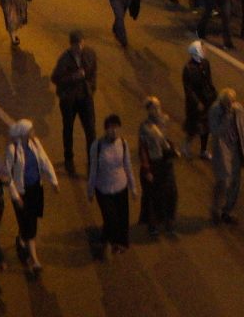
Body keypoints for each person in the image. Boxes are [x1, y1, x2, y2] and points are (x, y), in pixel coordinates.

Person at [1, 118, 57, 279]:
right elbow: (7, 175)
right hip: (22, 193)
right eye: (31, 130)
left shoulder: (35, 143)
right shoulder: (12, 150)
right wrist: (15, 195)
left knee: (30, 222)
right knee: (28, 224)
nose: (34, 133)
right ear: (24, 134)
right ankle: (35, 260)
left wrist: (53, 181)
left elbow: (44, 161)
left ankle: (23, 242)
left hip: (35, 190)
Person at [86, 113, 136, 256]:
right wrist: (90, 190)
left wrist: (133, 187)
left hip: (121, 186)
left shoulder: (123, 144)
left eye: (116, 128)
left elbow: (128, 165)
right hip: (103, 189)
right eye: (110, 128)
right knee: (110, 217)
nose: (114, 131)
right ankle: (108, 240)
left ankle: (118, 243)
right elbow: (93, 169)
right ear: (105, 129)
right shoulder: (97, 146)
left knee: (122, 217)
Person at [51, 30, 98, 175]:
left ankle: (92, 161)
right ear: (71, 45)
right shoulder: (65, 59)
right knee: (68, 128)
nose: (79, 47)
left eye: (81, 43)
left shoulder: (89, 54)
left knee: (90, 130)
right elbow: (55, 78)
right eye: (76, 44)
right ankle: (68, 159)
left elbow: (93, 73)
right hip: (69, 99)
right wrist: (74, 77)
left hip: (85, 97)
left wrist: (90, 87)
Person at [207, 87, 244, 225]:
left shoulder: (238, 109)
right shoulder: (215, 110)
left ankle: (227, 210)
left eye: (233, 102)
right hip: (222, 149)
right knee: (223, 180)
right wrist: (226, 118)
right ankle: (216, 209)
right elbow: (216, 131)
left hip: (235, 148)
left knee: (235, 181)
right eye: (228, 103)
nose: (231, 105)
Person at [137, 96, 179, 236]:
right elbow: (142, 149)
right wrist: (147, 169)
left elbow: (167, 139)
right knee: (153, 195)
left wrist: (173, 149)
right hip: (153, 164)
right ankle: (153, 224)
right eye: (153, 107)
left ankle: (170, 222)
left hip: (166, 163)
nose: (157, 109)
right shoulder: (145, 128)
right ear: (148, 110)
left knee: (171, 193)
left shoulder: (164, 121)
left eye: (158, 106)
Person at [182, 41, 217, 157]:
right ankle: (186, 146)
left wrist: (214, 95)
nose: (205, 51)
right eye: (202, 49)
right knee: (193, 127)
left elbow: (209, 81)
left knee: (206, 127)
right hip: (195, 104)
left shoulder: (205, 63)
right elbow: (189, 89)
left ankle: (203, 150)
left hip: (206, 100)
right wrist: (197, 103)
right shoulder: (188, 69)